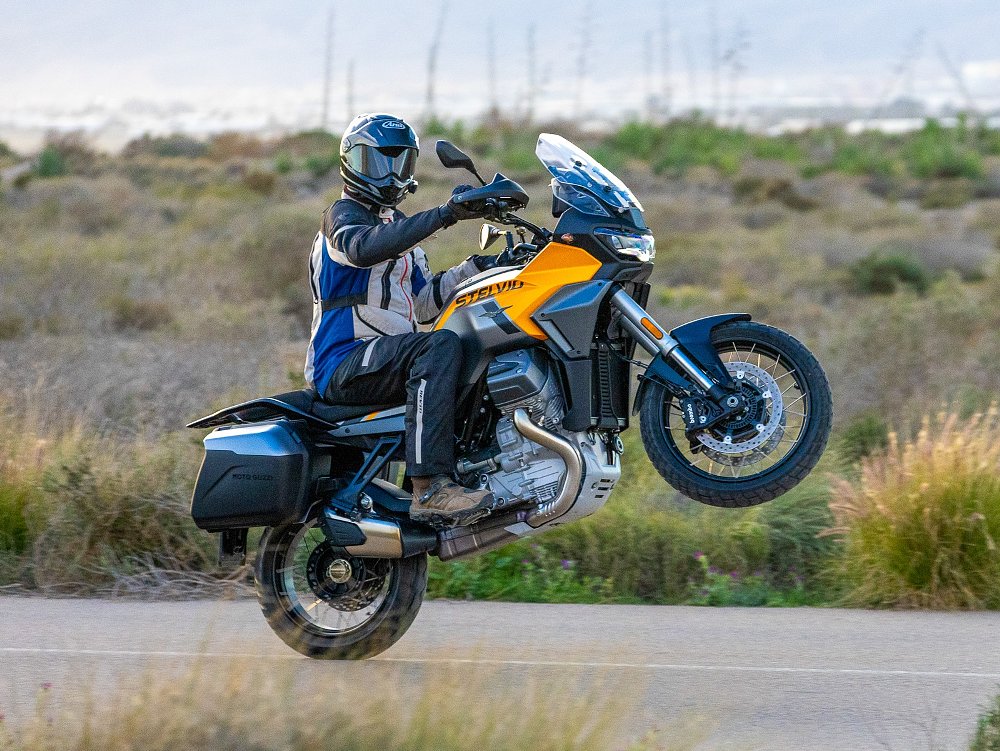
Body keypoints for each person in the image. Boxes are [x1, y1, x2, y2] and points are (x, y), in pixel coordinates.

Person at [304, 113, 497, 525]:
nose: (391, 173)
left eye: (400, 161)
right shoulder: (342, 217)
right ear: (354, 162)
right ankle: (429, 488)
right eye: (380, 161)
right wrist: (446, 213)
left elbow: (425, 304)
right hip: (343, 362)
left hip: (384, 359)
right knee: (440, 345)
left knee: (471, 347)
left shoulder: (401, 232)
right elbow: (361, 249)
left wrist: (484, 267)